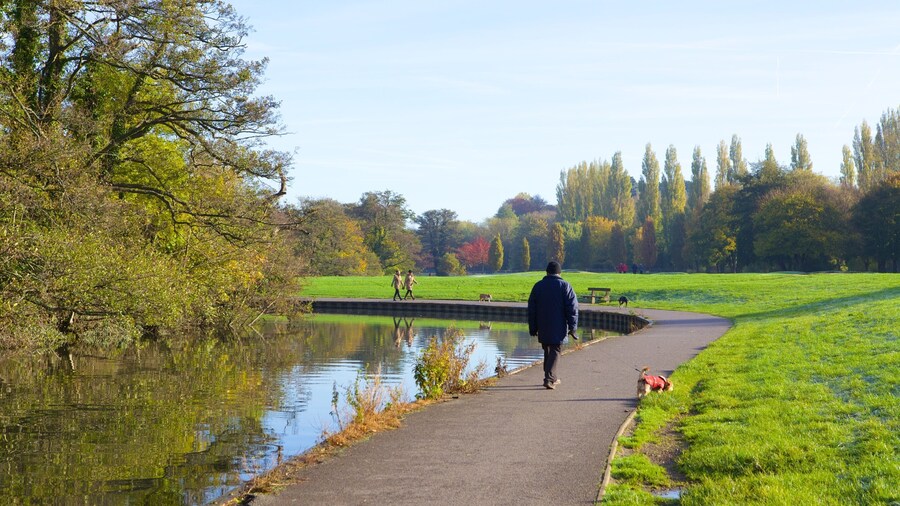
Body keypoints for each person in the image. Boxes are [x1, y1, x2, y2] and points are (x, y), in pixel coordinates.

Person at [527, 261, 578, 390]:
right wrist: (573, 327)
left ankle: (552, 377)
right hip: (559, 324)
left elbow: (531, 309)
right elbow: (572, 308)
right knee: (555, 350)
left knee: (547, 349)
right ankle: (549, 379)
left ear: (547, 272)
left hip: (543, 324)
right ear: (559, 272)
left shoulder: (538, 286)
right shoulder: (565, 286)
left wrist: (533, 327)